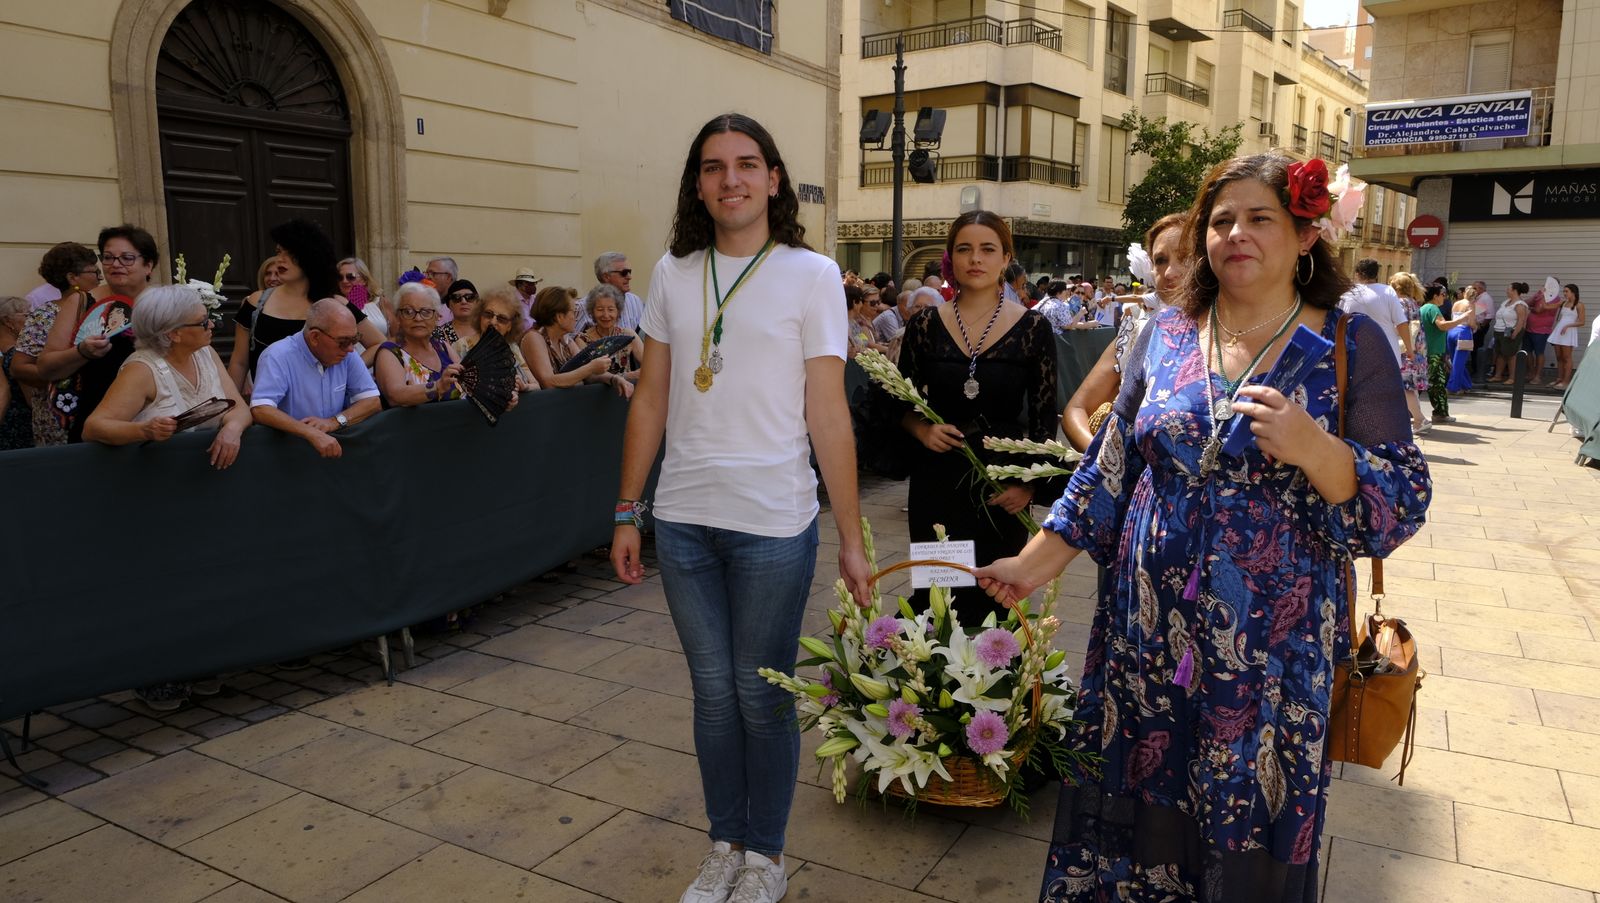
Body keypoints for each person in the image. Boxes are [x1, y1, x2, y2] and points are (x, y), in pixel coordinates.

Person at [976, 152, 1429, 902]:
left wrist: (1316, 448)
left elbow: (1403, 499)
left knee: (1242, 815)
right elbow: (1108, 469)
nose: (1236, 235)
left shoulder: (1350, 345)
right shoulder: (1165, 334)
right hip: (1143, 640)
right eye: (1221, 221)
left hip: (1270, 656)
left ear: (1306, 234)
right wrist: (1031, 565)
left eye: (1261, 219)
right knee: (1139, 811)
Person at [609, 112, 869, 903]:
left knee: (761, 693)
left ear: (774, 179)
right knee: (713, 694)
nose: (732, 179)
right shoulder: (671, 272)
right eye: (716, 166)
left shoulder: (812, 273)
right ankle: (723, 843)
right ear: (698, 183)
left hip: (773, 521)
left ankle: (766, 856)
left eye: (748, 164)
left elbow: (829, 411)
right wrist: (629, 509)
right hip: (684, 518)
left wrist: (852, 540)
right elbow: (650, 397)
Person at [895, 210, 1057, 627]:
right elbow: (898, 401)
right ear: (952, 257)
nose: (975, 259)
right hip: (938, 480)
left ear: (1006, 257)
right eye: (964, 249)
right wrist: (922, 429)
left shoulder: (1034, 328)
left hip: (1000, 487)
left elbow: (1042, 420)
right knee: (936, 598)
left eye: (988, 249)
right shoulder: (926, 325)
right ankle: (928, 690)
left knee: (995, 601)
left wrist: (1029, 485)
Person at [82, 284, 251, 468]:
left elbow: (238, 408)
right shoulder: (141, 369)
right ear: (174, 334)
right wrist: (143, 430)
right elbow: (93, 428)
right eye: (203, 321)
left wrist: (232, 429)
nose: (212, 324)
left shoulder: (205, 353)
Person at [1062, 213, 1188, 452]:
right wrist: (1108, 465)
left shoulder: (1242, 339)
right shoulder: (1139, 334)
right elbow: (1075, 410)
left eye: (1186, 257)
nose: (1171, 271)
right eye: (1160, 260)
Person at [36, 226, 160, 443]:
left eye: (127, 258)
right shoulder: (82, 302)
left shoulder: (164, 303)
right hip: (97, 417)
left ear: (148, 265)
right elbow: (46, 367)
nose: (116, 264)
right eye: (109, 257)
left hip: (157, 415)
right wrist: (82, 352)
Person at [228, 219, 385, 389]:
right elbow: (239, 362)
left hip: (325, 409)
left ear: (310, 256)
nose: (280, 260)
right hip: (267, 407)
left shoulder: (336, 304)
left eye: (290, 254)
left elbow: (379, 343)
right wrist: (232, 406)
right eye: (279, 252)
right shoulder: (256, 303)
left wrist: (346, 373)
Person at [249, 299, 382, 458]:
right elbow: (260, 409)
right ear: (314, 337)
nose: (351, 349)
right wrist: (310, 433)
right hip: (288, 457)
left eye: (355, 339)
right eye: (344, 342)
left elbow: (372, 401)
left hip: (334, 454)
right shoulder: (277, 356)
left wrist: (333, 422)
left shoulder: (347, 354)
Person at [10, 243, 101, 447]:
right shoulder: (45, 315)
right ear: (72, 278)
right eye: (94, 272)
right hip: (60, 413)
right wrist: (63, 373)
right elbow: (19, 367)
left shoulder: (104, 309)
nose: (99, 277)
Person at [375, 282, 463, 407]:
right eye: (408, 311)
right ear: (398, 316)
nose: (418, 318)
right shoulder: (390, 352)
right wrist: (437, 387)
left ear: (437, 316)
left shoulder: (442, 347)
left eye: (426, 312)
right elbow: (395, 396)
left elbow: (467, 383)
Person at [522, 286, 620, 392]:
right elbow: (548, 382)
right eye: (574, 311)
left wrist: (614, 379)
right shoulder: (534, 338)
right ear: (559, 317)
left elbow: (589, 375)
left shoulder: (565, 340)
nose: (576, 317)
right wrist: (591, 367)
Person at [1339, 258, 1408, 370]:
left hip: (1355, 354)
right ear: (1377, 274)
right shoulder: (1388, 292)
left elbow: (1339, 323)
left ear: (1357, 274)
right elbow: (1401, 323)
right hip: (1387, 353)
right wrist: (1409, 349)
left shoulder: (1347, 294)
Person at [1419, 282, 1470, 423]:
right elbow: (1442, 326)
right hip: (1434, 353)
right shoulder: (1433, 308)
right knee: (1438, 385)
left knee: (1425, 384)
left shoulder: (1424, 308)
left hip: (1429, 352)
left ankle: (1413, 412)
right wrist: (1461, 319)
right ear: (1435, 296)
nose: (1445, 297)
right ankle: (1440, 414)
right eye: (1443, 294)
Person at [1388, 273, 1431, 433]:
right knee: (1409, 386)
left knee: (1404, 386)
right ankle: (1412, 419)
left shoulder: (1399, 303)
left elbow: (1400, 325)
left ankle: (1419, 419)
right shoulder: (1413, 302)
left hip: (1405, 349)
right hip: (1416, 348)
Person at [579, 284, 645, 383]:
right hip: (595, 394)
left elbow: (650, 364)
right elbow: (589, 376)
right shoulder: (582, 339)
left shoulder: (627, 335)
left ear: (618, 312)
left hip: (626, 394)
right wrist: (628, 376)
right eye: (600, 310)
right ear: (592, 312)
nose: (606, 315)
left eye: (611, 310)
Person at [1, 296, 33, 450]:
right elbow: (32, 400)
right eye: (27, 315)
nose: (32, 320)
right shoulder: (17, 356)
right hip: (20, 427)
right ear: (8, 322)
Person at [338, 256, 395, 341]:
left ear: (364, 280)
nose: (344, 281)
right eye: (340, 277)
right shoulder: (333, 305)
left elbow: (396, 335)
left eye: (351, 276)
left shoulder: (381, 302)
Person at [591, 251, 646, 333]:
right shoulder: (586, 305)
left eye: (629, 272)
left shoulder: (636, 301)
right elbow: (570, 338)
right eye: (624, 273)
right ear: (606, 277)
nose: (629, 277)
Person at [1489, 282, 1530, 384]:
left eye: (1508, 289)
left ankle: (1512, 377)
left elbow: (1522, 321)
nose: (1506, 290)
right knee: (1500, 354)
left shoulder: (1519, 304)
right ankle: (1498, 376)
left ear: (1514, 291)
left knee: (1511, 354)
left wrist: (1515, 333)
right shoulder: (1506, 302)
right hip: (1499, 331)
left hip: (1510, 331)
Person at [1547, 284, 1585, 389]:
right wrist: (1545, 293)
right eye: (1564, 291)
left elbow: (1582, 322)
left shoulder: (1579, 305)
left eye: (1566, 291)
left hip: (1569, 332)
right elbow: (1547, 306)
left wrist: (1568, 326)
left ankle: (1566, 381)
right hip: (1559, 331)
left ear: (1573, 292)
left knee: (1567, 358)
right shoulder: (1563, 303)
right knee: (1559, 357)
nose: (1564, 293)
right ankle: (1559, 378)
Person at [1523, 282, 1561, 385]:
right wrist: (1537, 294)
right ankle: (1531, 372)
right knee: (1527, 351)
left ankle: (1538, 376)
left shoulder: (1555, 298)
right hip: (1529, 328)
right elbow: (1525, 303)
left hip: (1542, 330)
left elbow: (1539, 309)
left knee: (1539, 352)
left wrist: (1532, 308)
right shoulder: (1540, 294)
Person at [437, 279, 482, 355]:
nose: (463, 301)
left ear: (477, 302)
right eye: (456, 298)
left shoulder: (487, 329)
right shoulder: (439, 333)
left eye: (469, 297)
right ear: (449, 305)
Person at [1446, 297, 1476, 394]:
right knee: (1459, 363)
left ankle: (1466, 384)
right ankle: (1453, 387)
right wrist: (1476, 327)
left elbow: (1452, 318)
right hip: (1463, 332)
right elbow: (1471, 323)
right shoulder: (1471, 305)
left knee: (1455, 361)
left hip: (1452, 331)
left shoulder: (1456, 303)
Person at [1470, 279, 1495, 379]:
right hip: (1475, 326)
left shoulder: (1486, 298)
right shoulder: (1478, 298)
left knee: (1476, 348)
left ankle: (1477, 370)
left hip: (1480, 326)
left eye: (1474, 288)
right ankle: (1474, 368)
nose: (1473, 290)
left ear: (1481, 289)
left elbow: (1490, 314)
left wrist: (1481, 327)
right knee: (1473, 349)